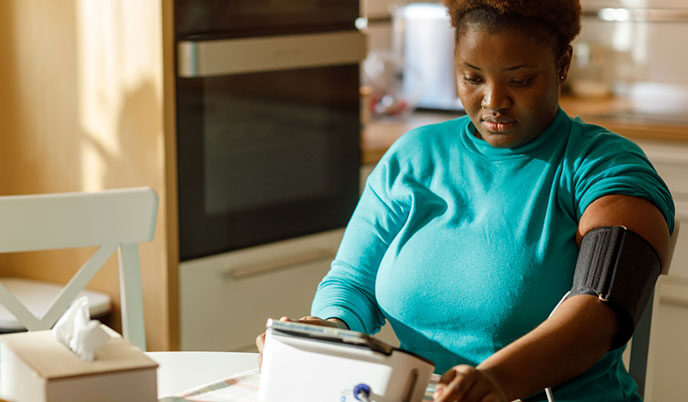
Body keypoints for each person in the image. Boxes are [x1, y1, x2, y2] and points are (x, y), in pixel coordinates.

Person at [256, 1, 675, 401]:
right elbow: (353, 284)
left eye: (520, 80)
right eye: (472, 78)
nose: (493, 101)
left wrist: (495, 381)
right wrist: (327, 329)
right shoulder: (414, 156)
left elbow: (602, 309)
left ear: (562, 64)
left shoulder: (604, 168)